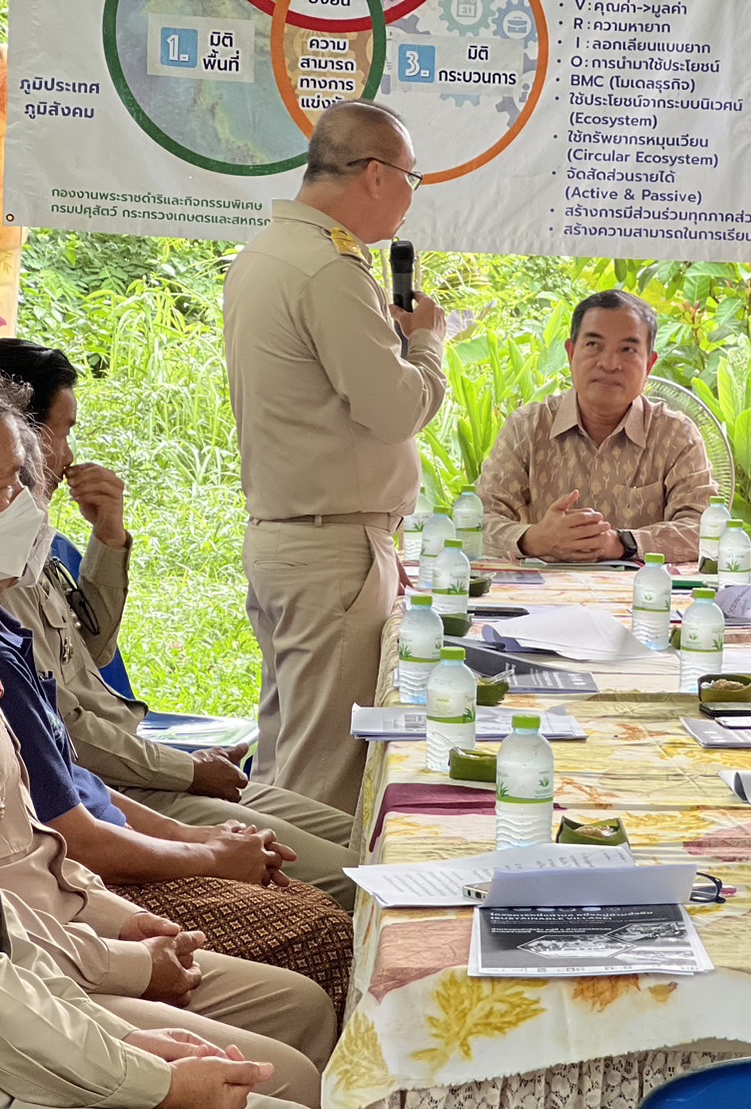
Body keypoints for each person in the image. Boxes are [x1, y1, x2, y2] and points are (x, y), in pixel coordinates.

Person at [0, 368, 332, 1106]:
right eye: (11, 484)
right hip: (21, 1004)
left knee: (310, 957)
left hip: (60, 939)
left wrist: (124, 948)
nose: (38, 493)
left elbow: (4, 899)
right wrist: (150, 1071)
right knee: (313, 959)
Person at [0, 338, 358, 910]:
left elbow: (89, 652)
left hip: (119, 781)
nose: (66, 455)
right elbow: (66, 744)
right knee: (349, 879)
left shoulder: (25, 542)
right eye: (60, 431)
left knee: (362, 833)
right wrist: (188, 777)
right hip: (117, 784)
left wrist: (109, 538)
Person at [224, 99, 448, 814]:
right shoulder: (330, 266)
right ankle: (300, 923)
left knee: (286, 760)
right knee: (324, 781)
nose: (413, 198)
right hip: (332, 549)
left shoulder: (265, 252)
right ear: (376, 175)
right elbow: (395, 409)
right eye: (414, 179)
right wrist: (427, 341)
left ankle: (257, 915)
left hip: (292, 536)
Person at [0, 808, 303, 1109]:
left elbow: (7, 937)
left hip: (47, 989)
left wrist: (126, 1038)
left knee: (302, 1007)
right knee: (293, 1062)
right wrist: (161, 1085)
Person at [477, 289, 718, 563]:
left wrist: (622, 543)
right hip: (542, 596)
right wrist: (535, 539)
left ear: (649, 364)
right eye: (594, 345)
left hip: (642, 597)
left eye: (627, 350)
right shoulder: (528, 428)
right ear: (571, 353)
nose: (609, 363)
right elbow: (476, 520)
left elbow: (708, 529)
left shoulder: (676, 436)